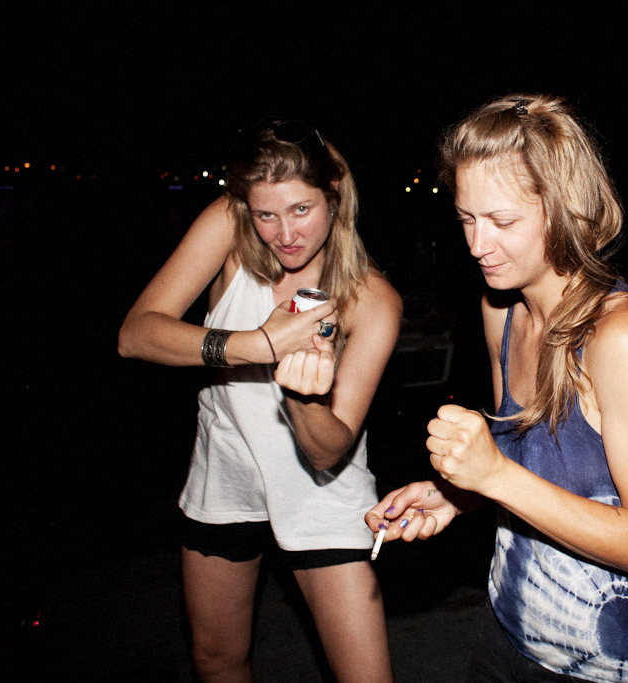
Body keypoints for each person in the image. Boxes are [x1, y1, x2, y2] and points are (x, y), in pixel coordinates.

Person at [366, 95, 628, 682]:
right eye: (466, 219)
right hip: (509, 630)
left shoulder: (623, 338)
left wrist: (494, 476)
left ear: (565, 209)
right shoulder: (501, 311)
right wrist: (459, 495)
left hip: (606, 663)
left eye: (502, 222)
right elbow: (529, 467)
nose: (477, 245)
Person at [119, 119, 400, 683]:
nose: (284, 233)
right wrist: (258, 345)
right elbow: (136, 334)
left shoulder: (373, 299)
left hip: (322, 493)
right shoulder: (230, 225)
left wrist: (299, 397)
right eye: (265, 214)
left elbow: (327, 452)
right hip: (225, 476)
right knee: (217, 660)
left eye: (301, 209)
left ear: (334, 195)